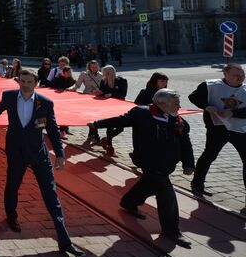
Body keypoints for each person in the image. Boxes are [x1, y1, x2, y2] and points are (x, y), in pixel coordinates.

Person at [0, 70, 84, 257]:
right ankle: (11, 215)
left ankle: (64, 241)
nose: (25, 84)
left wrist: (59, 153)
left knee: (51, 193)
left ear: (36, 83)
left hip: (38, 153)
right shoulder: (9, 97)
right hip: (16, 151)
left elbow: (53, 129)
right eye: (22, 81)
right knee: (12, 185)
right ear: (19, 82)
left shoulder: (46, 103)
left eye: (29, 82)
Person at [88, 89, 194, 247]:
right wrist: (97, 124)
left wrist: (188, 163)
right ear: (162, 103)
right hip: (148, 161)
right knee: (166, 193)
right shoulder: (143, 113)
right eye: (175, 103)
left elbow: (185, 142)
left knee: (148, 184)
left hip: (166, 164)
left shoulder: (178, 120)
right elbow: (121, 120)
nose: (179, 106)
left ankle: (129, 202)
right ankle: (171, 230)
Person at [189, 63, 246, 205]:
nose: (240, 77)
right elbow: (193, 97)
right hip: (217, 128)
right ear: (225, 74)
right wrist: (206, 106)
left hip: (240, 130)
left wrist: (233, 112)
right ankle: (197, 183)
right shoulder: (210, 86)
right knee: (209, 155)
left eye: (242, 75)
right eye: (235, 75)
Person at [82, 65, 128, 156]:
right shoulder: (103, 81)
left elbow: (123, 94)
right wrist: (99, 93)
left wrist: (111, 94)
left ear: (109, 73)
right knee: (110, 126)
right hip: (108, 107)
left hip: (119, 106)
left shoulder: (122, 80)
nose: (103, 75)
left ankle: (106, 139)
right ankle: (109, 147)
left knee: (121, 128)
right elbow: (103, 92)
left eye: (105, 73)